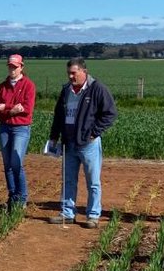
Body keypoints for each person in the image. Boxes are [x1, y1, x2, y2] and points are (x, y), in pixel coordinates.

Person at [47, 58, 117, 228]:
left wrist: (94, 133)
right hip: (69, 142)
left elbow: (110, 113)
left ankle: (93, 215)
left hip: (88, 144)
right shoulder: (66, 91)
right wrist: (54, 136)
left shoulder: (97, 89)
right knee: (68, 180)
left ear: (84, 71)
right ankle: (67, 213)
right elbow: (58, 115)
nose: (71, 76)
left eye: (74, 73)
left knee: (93, 182)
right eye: (69, 73)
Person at [0, 53, 36, 210]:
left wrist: (6, 108)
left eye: (15, 67)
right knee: (7, 164)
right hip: (4, 127)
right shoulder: (2, 86)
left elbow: (27, 109)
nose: (12, 69)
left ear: (21, 67)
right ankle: (13, 196)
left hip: (21, 128)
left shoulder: (28, 85)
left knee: (16, 163)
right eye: (10, 66)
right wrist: (12, 110)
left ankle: (22, 197)